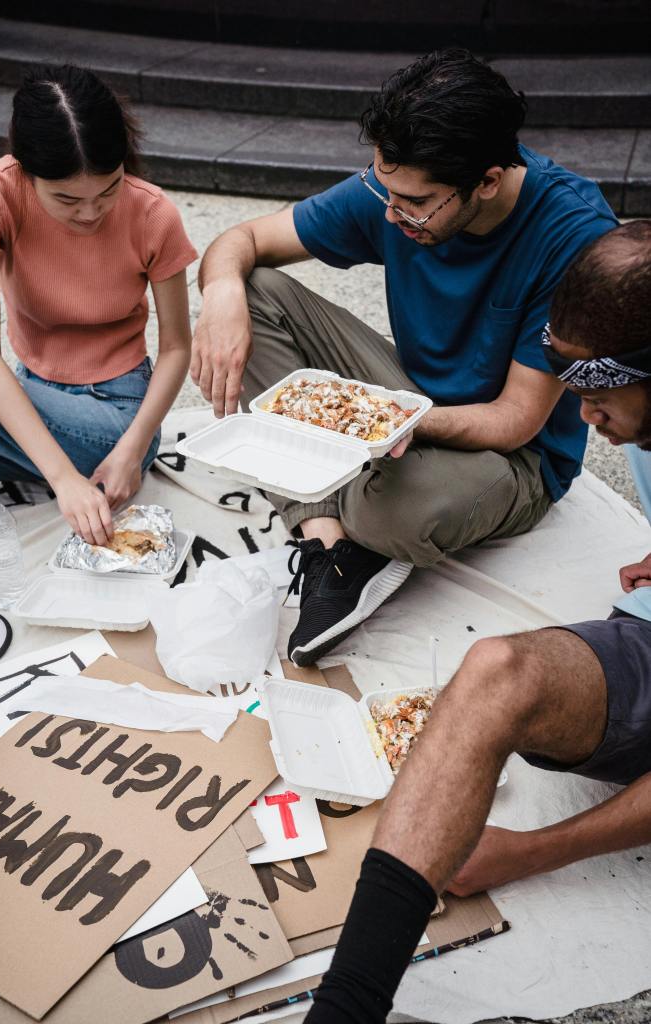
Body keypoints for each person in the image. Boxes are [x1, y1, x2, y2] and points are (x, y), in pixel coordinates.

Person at [302, 221, 651, 1024]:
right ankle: (346, 1010)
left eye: (594, 390)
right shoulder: (633, 407)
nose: (581, 413)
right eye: (566, 378)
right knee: (494, 667)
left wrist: (530, 853)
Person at [191, 48, 617, 667]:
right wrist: (220, 291)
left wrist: (387, 423)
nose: (392, 214)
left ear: (489, 181)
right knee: (255, 292)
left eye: (414, 202)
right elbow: (244, 239)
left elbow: (517, 418)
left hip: (512, 458)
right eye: (384, 189)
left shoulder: (573, 234)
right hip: (411, 392)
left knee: (389, 508)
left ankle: (361, 524)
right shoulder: (400, 188)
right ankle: (326, 541)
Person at [0, 65, 197, 544]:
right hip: (28, 401)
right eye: (66, 198)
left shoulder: (153, 213)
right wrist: (64, 480)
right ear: (26, 172)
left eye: (108, 189)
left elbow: (177, 347)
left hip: (118, 420)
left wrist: (131, 452)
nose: (90, 212)